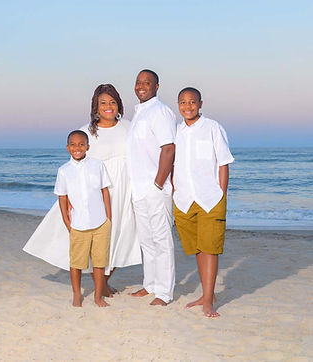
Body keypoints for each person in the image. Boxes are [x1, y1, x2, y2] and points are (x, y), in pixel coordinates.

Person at [23, 84, 141, 296]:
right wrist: (69, 199)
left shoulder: (129, 126)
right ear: (95, 106)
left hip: (124, 191)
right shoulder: (87, 131)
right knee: (94, 240)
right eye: (103, 103)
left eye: (112, 102)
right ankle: (101, 286)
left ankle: (103, 282)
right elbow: (74, 166)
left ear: (119, 105)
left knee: (123, 238)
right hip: (95, 194)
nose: (108, 107)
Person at [173, 87, 234, 317]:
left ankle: (208, 300)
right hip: (184, 199)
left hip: (210, 198)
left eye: (192, 102)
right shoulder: (177, 132)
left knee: (210, 249)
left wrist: (222, 194)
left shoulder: (212, 128)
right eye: (182, 102)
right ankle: (207, 294)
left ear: (200, 104)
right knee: (199, 249)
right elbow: (172, 162)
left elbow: (223, 162)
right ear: (178, 105)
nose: (187, 106)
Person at [128, 69, 176, 306]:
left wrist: (157, 184)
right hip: (138, 189)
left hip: (155, 189)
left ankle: (164, 293)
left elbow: (168, 148)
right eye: (138, 82)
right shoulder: (140, 112)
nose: (141, 86)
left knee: (162, 241)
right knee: (146, 241)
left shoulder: (160, 112)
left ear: (157, 86)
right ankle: (150, 285)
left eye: (147, 82)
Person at [55, 130, 111, 307]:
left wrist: (108, 218)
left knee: (100, 261)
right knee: (77, 262)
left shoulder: (97, 165)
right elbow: (62, 197)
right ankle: (77, 294)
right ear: (67, 148)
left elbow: (104, 191)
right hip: (78, 224)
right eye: (73, 144)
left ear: (87, 146)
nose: (77, 148)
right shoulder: (64, 171)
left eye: (81, 144)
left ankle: (97, 296)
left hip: (100, 222)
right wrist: (66, 221)